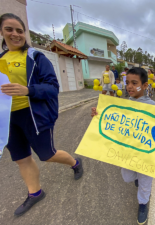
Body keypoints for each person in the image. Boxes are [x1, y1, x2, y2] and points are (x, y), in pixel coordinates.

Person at [0, 13, 84, 216]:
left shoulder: (35, 57)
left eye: (20, 30)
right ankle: (35, 192)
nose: (15, 34)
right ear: (2, 32)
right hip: (7, 119)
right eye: (9, 29)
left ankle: (75, 163)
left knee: (48, 155)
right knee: (21, 158)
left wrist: (28, 90)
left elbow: (52, 87)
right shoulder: (1, 59)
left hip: (33, 115)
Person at [91, 67, 155, 224]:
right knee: (127, 176)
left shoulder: (152, 105)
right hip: (129, 151)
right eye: (127, 83)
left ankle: (143, 204)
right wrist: (99, 116)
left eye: (134, 83)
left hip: (145, 153)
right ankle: (138, 179)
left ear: (145, 86)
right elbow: (115, 124)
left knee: (145, 181)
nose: (129, 86)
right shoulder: (123, 105)